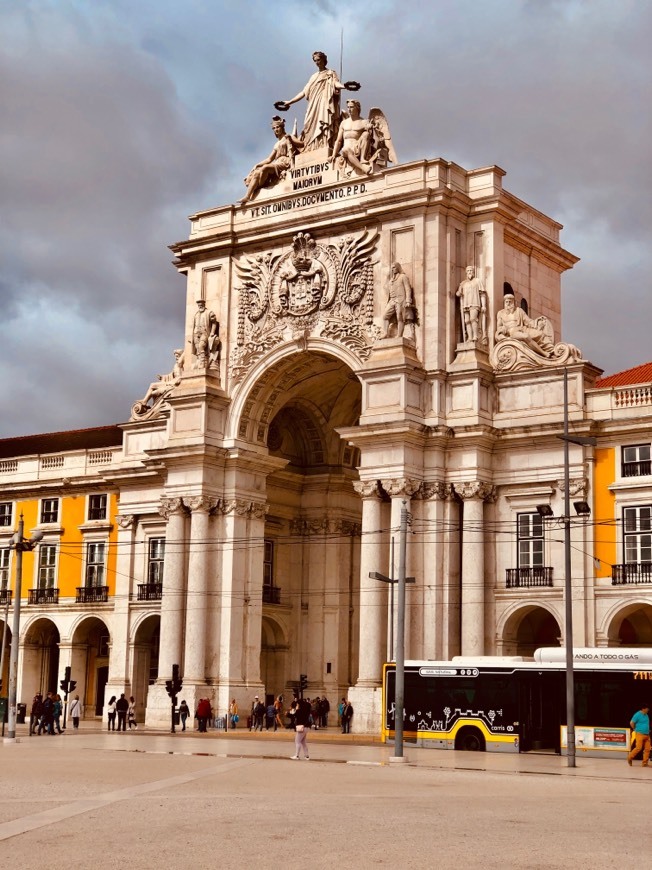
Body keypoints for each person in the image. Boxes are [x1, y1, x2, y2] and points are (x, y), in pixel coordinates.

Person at [275, 51, 360, 152]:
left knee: (324, 121)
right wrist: (290, 102)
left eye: (318, 60)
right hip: (313, 105)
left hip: (324, 102)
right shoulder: (313, 77)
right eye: (315, 61)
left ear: (324, 60)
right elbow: (303, 92)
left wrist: (345, 86)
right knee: (309, 124)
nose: (317, 62)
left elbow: (335, 84)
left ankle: (323, 145)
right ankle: (311, 147)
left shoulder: (330, 73)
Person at [240, 116, 301, 205]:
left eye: (278, 127)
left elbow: (302, 144)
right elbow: (269, 159)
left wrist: (291, 139)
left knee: (266, 168)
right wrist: (257, 165)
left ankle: (258, 185)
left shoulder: (288, 137)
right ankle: (248, 195)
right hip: (277, 162)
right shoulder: (276, 144)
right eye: (274, 128)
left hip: (285, 162)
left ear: (282, 127)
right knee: (257, 172)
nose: (276, 129)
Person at [330, 99, 372, 175]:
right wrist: (333, 154)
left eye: (351, 107)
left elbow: (370, 137)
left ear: (357, 108)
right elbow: (339, 141)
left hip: (357, 148)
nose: (349, 109)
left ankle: (362, 159)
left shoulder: (363, 122)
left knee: (366, 134)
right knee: (346, 149)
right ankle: (363, 168)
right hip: (346, 150)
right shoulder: (344, 123)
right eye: (348, 107)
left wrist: (370, 128)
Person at [456, 265, 487, 343]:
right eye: (468, 271)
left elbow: (482, 293)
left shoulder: (477, 281)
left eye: (471, 271)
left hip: (475, 303)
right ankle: (470, 337)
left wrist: (483, 305)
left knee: (473, 319)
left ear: (473, 272)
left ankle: (475, 336)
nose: (470, 272)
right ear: (466, 273)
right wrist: (459, 291)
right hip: (466, 304)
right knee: (467, 321)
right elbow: (458, 294)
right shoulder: (463, 283)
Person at [383, 262, 414, 338]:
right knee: (385, 316)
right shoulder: (391, 280)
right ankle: (385, 333)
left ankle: (399, 335)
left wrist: (408, 301)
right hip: (392, 301)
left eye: (394, 267)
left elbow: (407, 289)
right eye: (392, 268)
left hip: (400, 300)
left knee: (400, 317)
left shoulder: (403, 277)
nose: (392, 269)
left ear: (398, 268)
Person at [192, 299, 220, 370]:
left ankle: (203, 363)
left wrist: (212, 332)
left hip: (204, 333)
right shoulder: (196, 314)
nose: (200, 306)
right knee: (198, 349)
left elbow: (214, 323)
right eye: (199, 305)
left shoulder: (209, 312)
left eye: (201, 305)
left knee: (201, 346)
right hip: (196, 333)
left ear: (204, 305)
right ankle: (200, 362)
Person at [290, 695, 312, 760]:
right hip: (306, 727)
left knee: (297, 741)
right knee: (303, 742)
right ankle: (306, 756)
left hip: (301, 727)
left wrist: (296, 709)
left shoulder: (300, 711)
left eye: (297, 704)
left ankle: (296, 755)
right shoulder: (306, 711)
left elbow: (294, 715)